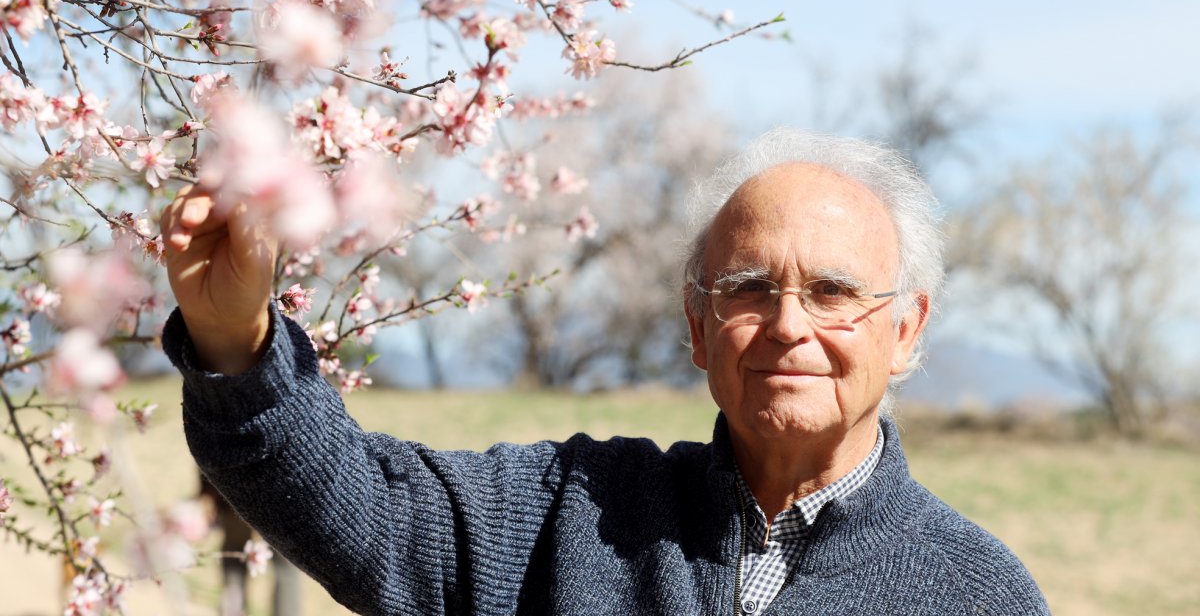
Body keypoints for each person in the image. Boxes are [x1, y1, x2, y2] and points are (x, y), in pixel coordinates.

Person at [160, 128, 1048, 615]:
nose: (787, 325)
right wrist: (232, 335)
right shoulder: (573, 511)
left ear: (906, 331)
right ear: (697, 326)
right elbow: (357, 508)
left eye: (833, 291)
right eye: (747, 289)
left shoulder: (979, 596)